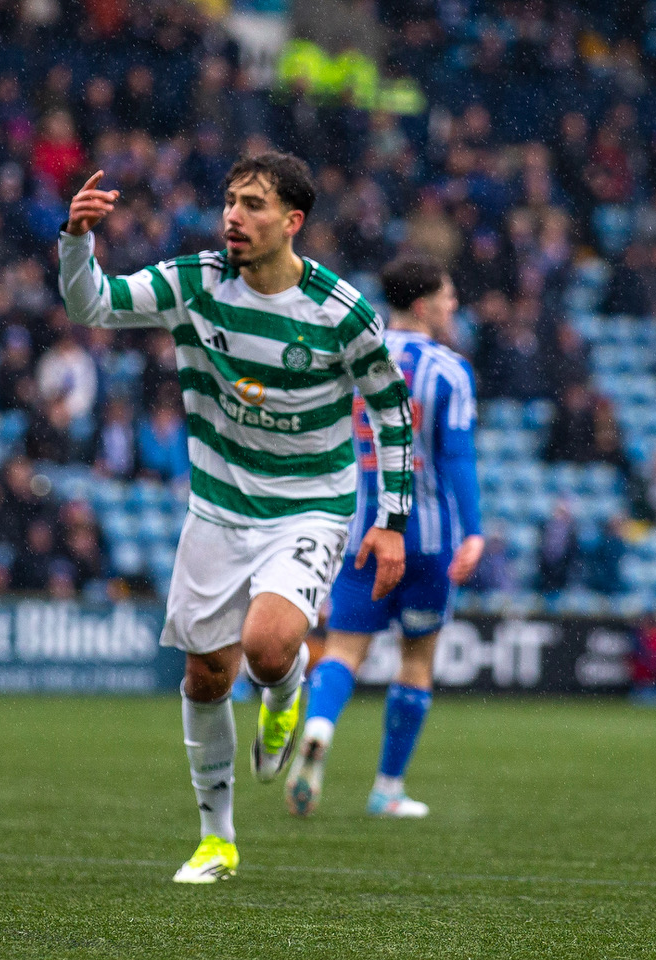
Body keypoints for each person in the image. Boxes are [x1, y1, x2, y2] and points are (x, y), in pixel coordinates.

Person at [58, 153, 413, 883]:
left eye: (253, 204)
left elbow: (391, 408)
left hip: (310, 505)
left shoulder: (340, 311)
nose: (233, 216)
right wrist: (76, 241)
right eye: (229, 201)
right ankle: (216, 839)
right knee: (205, 678)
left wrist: (393, 520)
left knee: (269, 645)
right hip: (219, 509)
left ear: (293, 221)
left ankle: (286, 689)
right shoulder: (194, 282)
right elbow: (91, 305)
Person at [284, 255, 482, 821]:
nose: (453, 306)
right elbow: (457, 457)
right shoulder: (448, 370)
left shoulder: (351, 358)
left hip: (360, 530)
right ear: (423, 304)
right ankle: (387, 788)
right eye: (447, 297)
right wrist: (475, 532)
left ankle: (318, 728)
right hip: (427, 538)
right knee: (417, 662)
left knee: (344, 651)